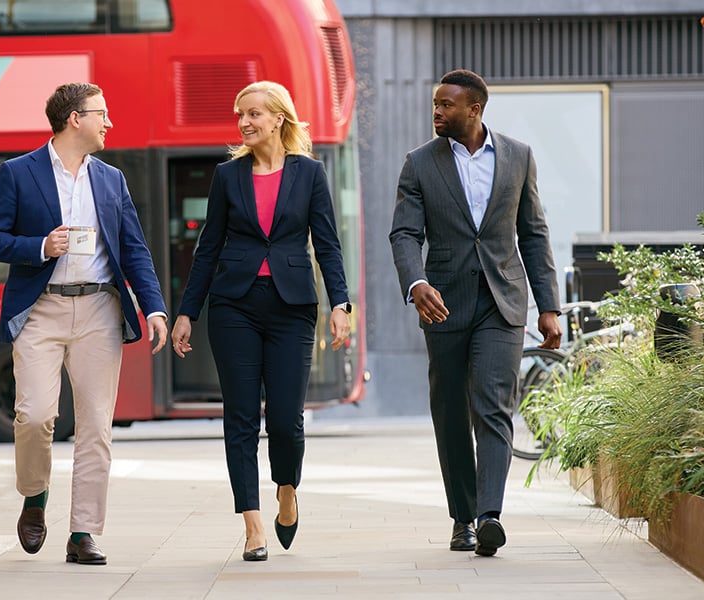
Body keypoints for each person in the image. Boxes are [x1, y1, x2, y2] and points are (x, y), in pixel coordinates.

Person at [0, 82, 169, 566]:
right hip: (41, 307)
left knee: (95, 428)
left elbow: (134, 250)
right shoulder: (18, 173)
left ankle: (83, 532)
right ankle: (35, 496)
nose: (110, 123)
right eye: (101, 114)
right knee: (37, 416)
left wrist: (155, 308)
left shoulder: (111, 179)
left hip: (100, 310)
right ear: (74, 120)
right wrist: (41, 246)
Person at [170, 81, 351, 562]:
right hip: (235, 306)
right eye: (240, 115)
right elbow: (208, 248)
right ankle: (251, 525)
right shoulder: (228, 176)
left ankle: (286, 490)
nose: (245, 123)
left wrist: (341, 304)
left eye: (254, 114)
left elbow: (328, 244)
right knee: (241, 417)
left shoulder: (310, 173)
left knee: (288, 421)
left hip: (292, 307)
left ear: (278, 118)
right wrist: (187, 310)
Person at [389, 69, 562, 557]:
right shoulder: (419, 163)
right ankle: (461, 517)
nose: (437, 112)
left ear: (475, 109)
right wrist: (416, 282)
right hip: (442, 303)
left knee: (492, 406)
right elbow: (404, 233)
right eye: (434, 105)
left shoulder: (518, 156)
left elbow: (533, 233)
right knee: (449, 411)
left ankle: (489, 515)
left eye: (446, 105)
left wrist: (548, 306)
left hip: (502, 301)